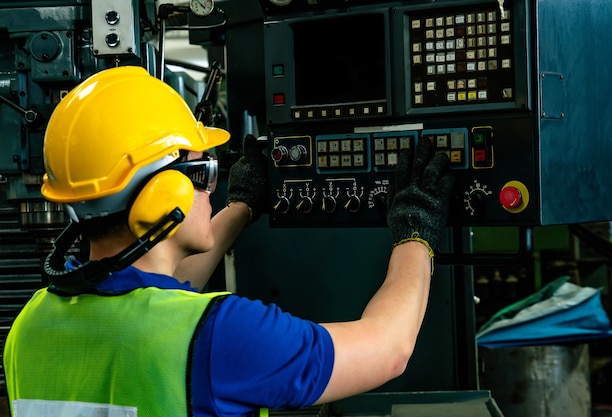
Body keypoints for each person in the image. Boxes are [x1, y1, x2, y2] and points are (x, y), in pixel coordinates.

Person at [2, 66, 455, 417]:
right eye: (203, 174)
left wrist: (241, 207)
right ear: (165, 195)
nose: (211, 190)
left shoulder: (29, 326)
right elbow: (389, 347)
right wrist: (416, 231)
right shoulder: (225, 333)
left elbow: (152, 305)